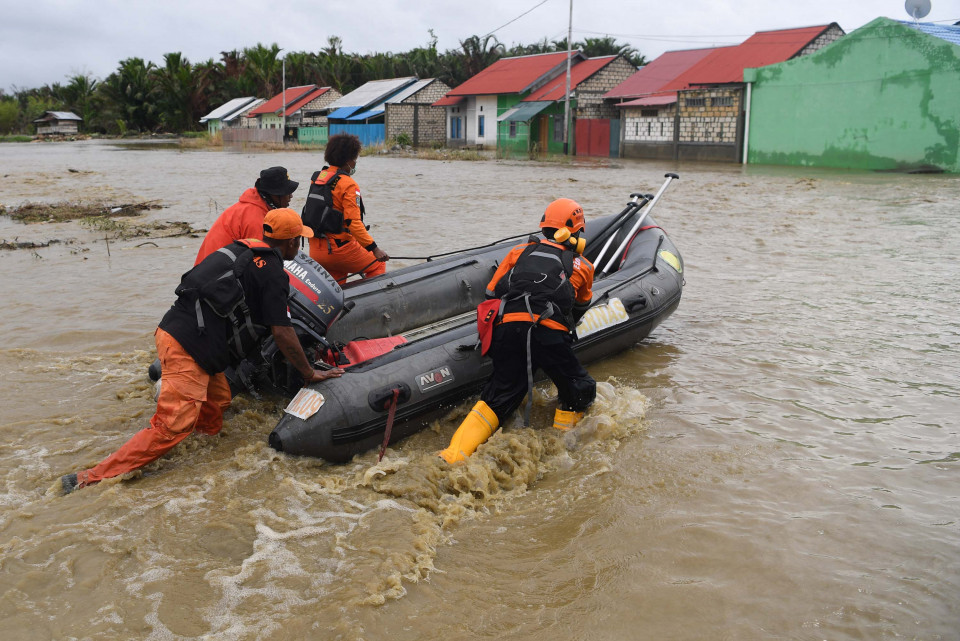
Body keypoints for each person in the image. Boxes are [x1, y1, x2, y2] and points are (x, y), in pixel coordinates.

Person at [61, 209, 343, 493]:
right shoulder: (272, 274)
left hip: (173, 330)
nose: (300, 245)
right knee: (170, 427)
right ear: (293, 242)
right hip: (188, 348)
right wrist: (309, 372)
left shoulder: (241, 248)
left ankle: (204, 446)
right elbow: (282, 331)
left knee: (218, 398)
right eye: (300, 240)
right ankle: (90, 478)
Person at [439, 198, 597, 464]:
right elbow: (579, 308)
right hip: (547, 332)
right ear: (576, 233)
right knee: (578, 387)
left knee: (500, 393)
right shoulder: (584, 266)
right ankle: (558, 450)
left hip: (508, 328)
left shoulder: (519, 252)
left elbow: (491, 292)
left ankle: (453, 454)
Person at [305, 133, 389, 283]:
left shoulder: (318, 178)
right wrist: (375, 250)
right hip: (339, 249)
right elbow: (353, 223)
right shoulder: (348, 184)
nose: (355, 163)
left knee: (337, 280)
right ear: (349, 160)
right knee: (377, 264)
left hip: (316, 249)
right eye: (355, 159)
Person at [193, 166, 299, 265]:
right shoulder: (256, 218)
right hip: (214, 277)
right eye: (288, 192)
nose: (291, 196)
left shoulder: (253, 206)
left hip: (209, 270)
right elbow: (261, 262)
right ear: (275, 195)